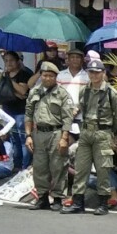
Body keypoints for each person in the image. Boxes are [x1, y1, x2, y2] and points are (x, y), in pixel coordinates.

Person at [64, 52, 117, 215]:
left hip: (103, 133)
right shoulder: (85, 91)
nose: (94, 75)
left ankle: (103, 203)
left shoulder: (111, 93)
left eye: (97, 72)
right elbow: (80, 107)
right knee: (81, 168)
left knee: (103, 169)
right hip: (86, 132)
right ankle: (78, 202)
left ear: (103, 73)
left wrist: (110, 132)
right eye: (91, 72)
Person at [24, 61, 75, 209]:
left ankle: (58, 198)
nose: (47, 78)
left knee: (58, 166)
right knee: (39, 166)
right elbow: (28, 114)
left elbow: (67, 118)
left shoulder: (62, 94)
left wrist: (64, 138)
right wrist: (28, 135)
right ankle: (42, 197)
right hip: (38, 133)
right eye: (44, 75)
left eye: (50, 76)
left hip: (56, 133)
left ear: (55, 77)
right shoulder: (35, 92)